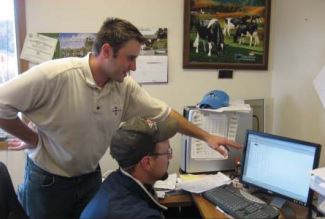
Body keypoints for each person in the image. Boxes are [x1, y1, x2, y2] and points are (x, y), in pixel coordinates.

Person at [0, 17, 241, 219]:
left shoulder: (124, 87)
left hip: (89, 178)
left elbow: (167, 115)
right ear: (106, 51)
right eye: (130, 58)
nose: (134, 67)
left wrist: (207, 136)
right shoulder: (56, 75)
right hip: (49, 183)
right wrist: (31, 137)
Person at [80, 116, 178, 219]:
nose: (170, 157)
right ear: (147, 162)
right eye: (168, 152)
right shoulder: (141, 215)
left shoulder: (113, 180)